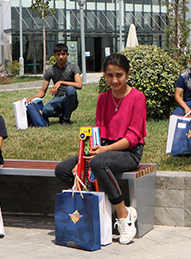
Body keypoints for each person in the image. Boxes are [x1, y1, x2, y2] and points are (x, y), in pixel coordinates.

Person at [55, 53, 146, 245]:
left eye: (119, 75)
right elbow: (98, 130)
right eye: (109, 75)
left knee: (98, 163)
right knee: (63, 169)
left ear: (127, 74)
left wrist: (104, 151)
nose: (114, 80)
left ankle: (123, 214)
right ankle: (99, 208)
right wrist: (83, 160)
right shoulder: (103, 98)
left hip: (129, 152)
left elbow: (133, 137)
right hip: (103, 149)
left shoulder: (137, 97)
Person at [28, 43, 82, 125]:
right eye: (58, 54)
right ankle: (63, 114)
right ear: (54, 55)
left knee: (70, 89)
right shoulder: (50, 70)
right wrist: (31, 99)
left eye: (63, 54)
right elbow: (42, 92)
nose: (61, 57)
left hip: (70, 99)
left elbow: (79, 85)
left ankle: (66, 119)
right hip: (58, 99)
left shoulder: (73, 67)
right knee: (45, 111)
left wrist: (60, 82)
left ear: (67, 55)